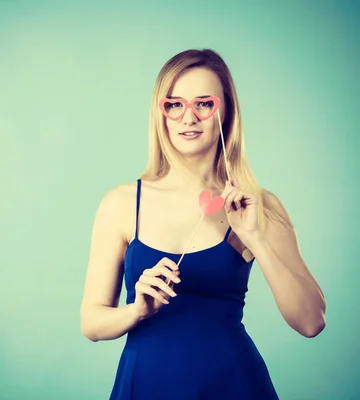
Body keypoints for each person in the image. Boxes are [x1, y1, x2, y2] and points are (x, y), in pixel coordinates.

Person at [79, 48, 326, 399]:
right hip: (146, 385)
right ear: (160, 114)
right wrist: (136, 310)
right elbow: (91, 323)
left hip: (233, 384)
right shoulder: (120, 204)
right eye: (175, 104)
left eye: (204, 104)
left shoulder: (257, 205)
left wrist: (256, 239)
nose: (188, 117)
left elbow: (311, 321)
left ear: (224, 113)